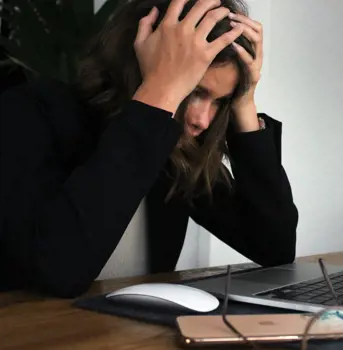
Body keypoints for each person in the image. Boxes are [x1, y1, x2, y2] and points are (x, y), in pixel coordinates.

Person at [0, 0, 298, 298]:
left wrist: (244, 102)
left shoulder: (175, 151)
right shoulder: (31, 113)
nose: (203, 120)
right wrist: (159, 93)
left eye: (220, 101)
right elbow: (58, 272)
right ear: (138, 63)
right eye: (194, 90)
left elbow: (274, 246)